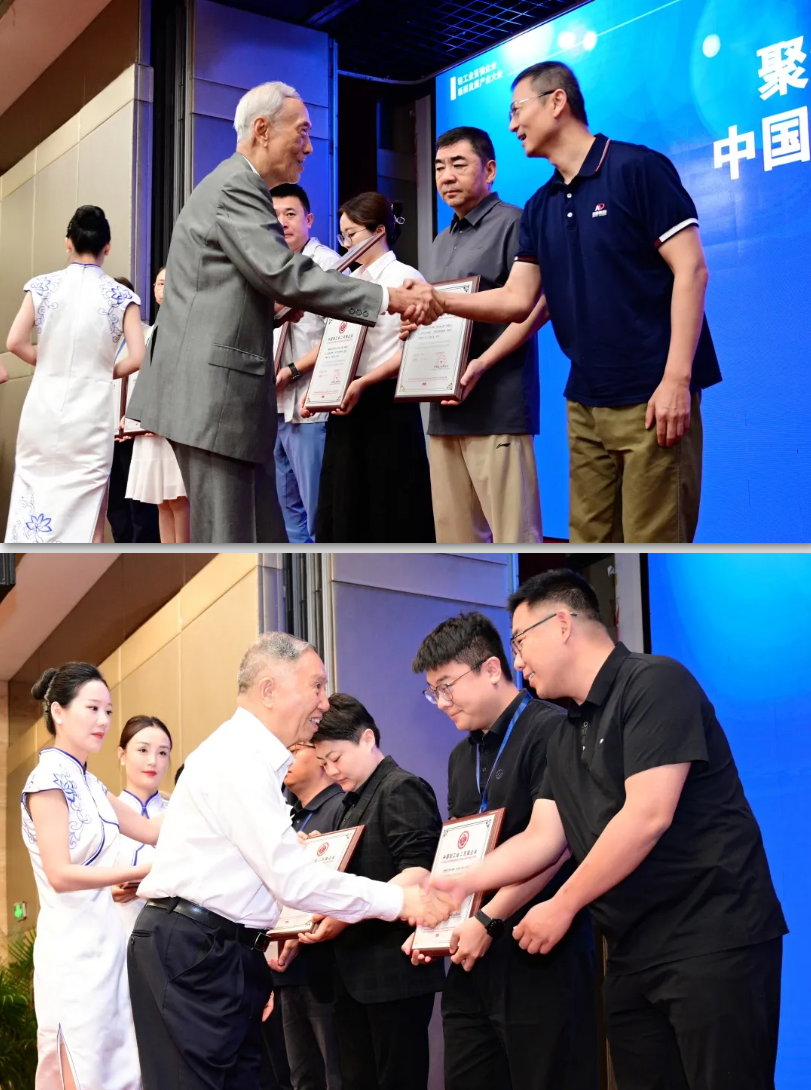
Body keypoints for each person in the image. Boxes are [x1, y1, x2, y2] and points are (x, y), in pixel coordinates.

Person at [432, 569, 787, 1090]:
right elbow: (544, 839)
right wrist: (457, 883)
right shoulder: (565, 732)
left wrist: (563, 904)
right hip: (629, 953)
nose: (518, 661)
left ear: (562, 625)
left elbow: (647, 816)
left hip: (711, 939)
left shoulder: (655, 682)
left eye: (520, 643)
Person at [128, 633, 453, 1090]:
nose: (324, 702)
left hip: (221, 950)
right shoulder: (238, 759)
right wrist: (401, 901)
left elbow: (251, 865)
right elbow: (292, 882)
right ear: (269, 690)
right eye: (316, 686)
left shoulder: (252, 761)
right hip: (195, 950)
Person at [127, 81, 441, 543]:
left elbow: (235, 290)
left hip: (217, 398)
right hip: (215, 399)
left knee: (257, 536)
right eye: (303, 132)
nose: (310, 147)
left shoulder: (230, 184)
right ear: (262, 129)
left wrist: (276, 312)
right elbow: (283, 273)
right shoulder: (238, 186)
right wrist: (387, 298)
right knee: (233, 541)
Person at [423, 63, 722, 544]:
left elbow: (692, 270)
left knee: (654, 541)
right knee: (588, 542)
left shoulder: (636, 168)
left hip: (651, 393)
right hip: (584, 401)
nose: (512, 125)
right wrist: (433, 301)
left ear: (557, 102)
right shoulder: (540, 206)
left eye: (517, 110)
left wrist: (676, 380)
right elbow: (518, 299)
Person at [408, 612, 599, 1090]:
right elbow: (462, 854)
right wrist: (436, 926)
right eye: (433, 692)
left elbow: (555, 846)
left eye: (447, 687)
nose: (441, 703)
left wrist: (489, 920)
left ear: (492, 669)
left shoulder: (552, 729)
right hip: (471, 959)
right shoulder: (461, 756)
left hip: (539, 953)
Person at [21, 662, 163, 1090]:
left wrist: (217, 808)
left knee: (120, 1067)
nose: (103, 720)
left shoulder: (91, 783)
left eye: (109, 711)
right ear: (58, 712)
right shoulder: (46, 780)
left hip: (108, 946)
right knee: (84, 1069)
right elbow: (60, 874)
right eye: (93, 708)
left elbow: (152, 830)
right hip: (71, 951)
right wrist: (144, 870)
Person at [307, 694, 445, 1090]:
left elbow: (418, 873)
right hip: (352, 975)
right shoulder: (349, 804)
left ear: (367, 739)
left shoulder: (400, 788)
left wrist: (344, 915)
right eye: (323, 763)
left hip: (392, 974)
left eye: (336, 757)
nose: (331, 770)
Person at [422, 127, 545, 544]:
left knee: (515, 538)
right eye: (439, 167)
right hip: (443, 412)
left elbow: (534, 308)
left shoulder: (516, 222)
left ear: (489, 170)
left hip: (497, 406)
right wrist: (414, 327)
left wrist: (481, 363)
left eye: (458, 165)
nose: (446, 176)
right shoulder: (440, 241)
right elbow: (439, 313)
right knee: (455, 544)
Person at [298, 192, 435, 543]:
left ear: (378, 232)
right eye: (342, 236)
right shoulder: (348, 279)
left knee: (387, 505)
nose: (345, 245)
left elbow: (414, 349)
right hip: (346, 396)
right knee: (343, 503)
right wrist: (318, 390)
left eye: (352, 235)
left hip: (386, 400)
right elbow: (334, 340)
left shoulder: (405, 276)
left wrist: (364, 383)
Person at [5, 206, 144, 543]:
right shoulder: (123, 297)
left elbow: (14, 343)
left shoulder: (41, 287)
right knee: (88, 506)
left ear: (68, 242)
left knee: (33, 493)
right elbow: (139, 357)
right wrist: (101, 371)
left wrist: (49, 363)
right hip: (91, 415)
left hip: (42, 410)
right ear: (107, 246)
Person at [264, 740, 345, 1090]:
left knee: (336, 1074)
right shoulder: (283, 816)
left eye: (295, 750)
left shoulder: (341, 807)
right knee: (301, 1078)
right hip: (285, 966)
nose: (285, 759)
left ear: (322, 754)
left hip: (326, 967)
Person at [270, 184, 341, 543]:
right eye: (275, 216)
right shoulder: (270, 267)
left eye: (290, 214)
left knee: (316, 512)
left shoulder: (327, 265)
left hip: (311, 403)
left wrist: (293, 370)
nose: (282, 222)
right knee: (288, 515)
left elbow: (338, 337)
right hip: (274, 406)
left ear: (309, 219)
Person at [125, 267, 190, 543]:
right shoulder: (151, 332)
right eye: (159, 283)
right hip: (149, 424)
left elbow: (182, 378)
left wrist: (160, 415)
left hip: (171, 424)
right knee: (161, 500)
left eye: (168, 282)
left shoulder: (186, 325)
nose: (163, 288)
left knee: (178, 499)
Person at [107, 275, 160, 543]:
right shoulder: (107, 344)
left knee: (141, 507)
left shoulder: (150, 336)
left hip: (138, 434)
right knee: (115, 507)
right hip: (109, 436)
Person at [112, 714, 173, 933]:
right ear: (122, 755)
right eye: (143, 750)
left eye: (162, 752)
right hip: (116, 935)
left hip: (172, 937)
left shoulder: (181, 815)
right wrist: (105, 891)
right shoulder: (103, 816)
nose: (153, 761)